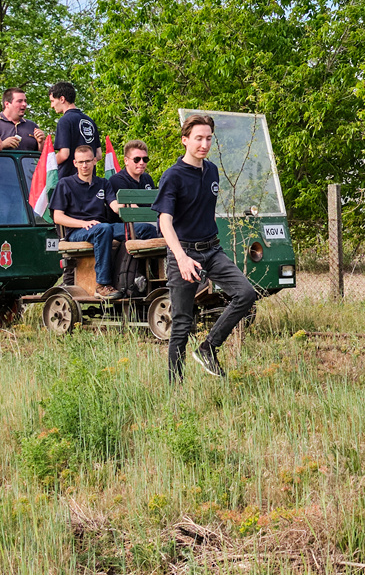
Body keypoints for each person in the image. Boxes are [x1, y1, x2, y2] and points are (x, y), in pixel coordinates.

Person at [156, 113, 256, 380]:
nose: (204, 144)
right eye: (198, 138)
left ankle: (208, 348)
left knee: (246, 294)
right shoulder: (173, 176)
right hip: (184, 253)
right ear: (185, 140)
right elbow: (165, 221)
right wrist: (181, 258)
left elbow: (207, 210)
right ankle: (174, 390)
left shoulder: (211, 170)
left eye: (209, 138)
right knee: (181, 324)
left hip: (212, 250)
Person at [51, 145, 119, 298]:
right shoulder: (65, 184)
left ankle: (139, 281)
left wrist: (128, 207)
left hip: (101, 227)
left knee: (144, 229)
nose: (84, 165)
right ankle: (102, 284)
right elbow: (58, 217)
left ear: (95, 161)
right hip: (76, 231)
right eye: (81, 162)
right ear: (74, 163)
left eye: (88, 161)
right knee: (104, 229)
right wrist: (82, 223)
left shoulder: (103, 183)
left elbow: (114, 205)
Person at [107, 140, 158, 265]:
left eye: (145, 159)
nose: (141, 163)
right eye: (137, 159)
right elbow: (133, 209)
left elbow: (155, 204)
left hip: (146, 222)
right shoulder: (117, 180)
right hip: (124, 226)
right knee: (149, 228)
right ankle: (156, 270)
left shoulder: (147, 178)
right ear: (126, 161)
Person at [48, 81, 101, 183]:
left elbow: (64, 155)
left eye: (52, 101)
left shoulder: (65, 121)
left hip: (68, 182)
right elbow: (98, 155)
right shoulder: (89, 121)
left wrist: (46, 164)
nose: (52, 105)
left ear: (62, 99)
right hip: (90, 182)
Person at [0, 87, 42, 153]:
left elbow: (43, 156)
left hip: (27, 164)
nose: (24, 104)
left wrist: (41, 142)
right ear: (7, 104)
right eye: (19, 101)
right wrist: (2, 145)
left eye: (25, 101)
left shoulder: (32, 126)